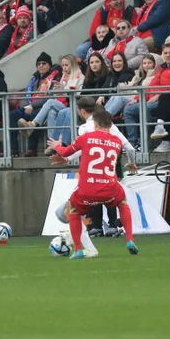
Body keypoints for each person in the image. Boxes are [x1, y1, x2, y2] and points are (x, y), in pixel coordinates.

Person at [48, 109, 140, 259]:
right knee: (123, 203)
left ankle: (78, 249)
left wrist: (57, 146)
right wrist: (131, 163)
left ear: (95, 124)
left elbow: (65, 152)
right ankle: (129, 239)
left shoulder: (85, 137)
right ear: (110, 125)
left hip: (87, 189)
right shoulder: (116, 142)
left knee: (73, 211)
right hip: (110, 188)